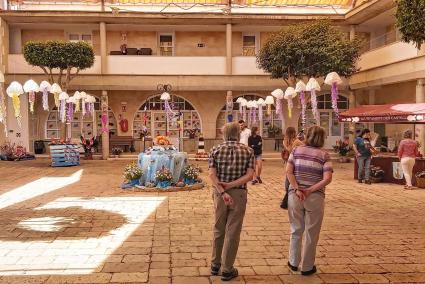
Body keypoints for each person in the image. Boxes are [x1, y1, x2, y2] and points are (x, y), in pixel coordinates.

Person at [208, 122, 255, 281]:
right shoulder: (248, 151)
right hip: (239, 194)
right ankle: (227, 269)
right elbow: (250, 176)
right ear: (239, 133)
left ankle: (215, 264)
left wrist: (223, 190)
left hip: (220, 194)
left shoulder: (215, 150)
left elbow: (212, 175)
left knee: (218, 227)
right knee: (233, 231)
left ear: (224, 134)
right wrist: (232, 185)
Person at [286, 126, 333, 276]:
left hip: (295, 196)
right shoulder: (324, 155)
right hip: (315, 197)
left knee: (296, 229)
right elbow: (327, 178)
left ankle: (293, 262)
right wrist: (310, 190)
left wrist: (297, 189)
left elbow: (288, 171)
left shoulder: (296, 151)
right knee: (312, 232)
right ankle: (307, 267)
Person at [281, 127, 304, 209]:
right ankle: (289, 197)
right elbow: (304, 148)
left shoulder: (285, 141)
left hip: (288, 163)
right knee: (293, 179)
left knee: (288, 179)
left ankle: (287, 196)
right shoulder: (297, 142)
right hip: (296, 163)